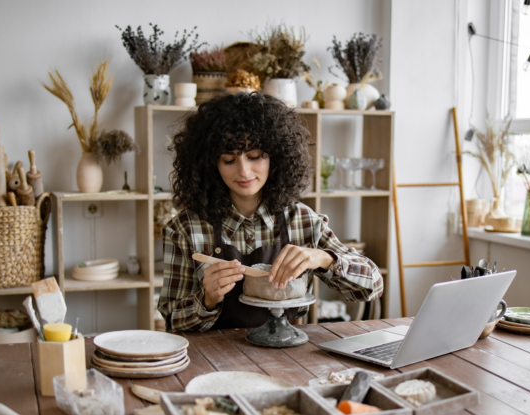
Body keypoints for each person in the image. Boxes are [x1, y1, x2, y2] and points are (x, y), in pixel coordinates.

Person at [158, 92, 383, 331]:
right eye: (228, 160)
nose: (244, 172)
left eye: (254, 156)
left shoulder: (302, 221)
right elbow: (172, 319)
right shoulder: (185, 228)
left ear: (276, 156)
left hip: (287, 355)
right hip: (215, 361)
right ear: (210, 165)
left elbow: (373, 285)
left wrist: (322, 259)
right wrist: (207, 300)